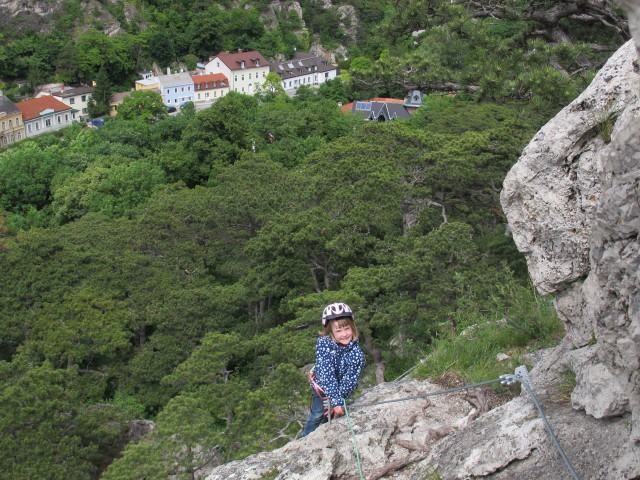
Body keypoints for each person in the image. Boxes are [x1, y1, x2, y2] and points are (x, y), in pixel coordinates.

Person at [301, 302, 366, 437]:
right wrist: (335, 400)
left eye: (347, 329)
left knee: (331, 413)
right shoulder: (324, 346)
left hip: (340, 390)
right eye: (338, 331)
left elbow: (350, 381)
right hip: (322, 387)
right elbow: (326, 375)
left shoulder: (356, 354)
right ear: (330, 332)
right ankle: (306, 437)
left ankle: (326, 433)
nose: (344, 334)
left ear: (353, 328)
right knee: (317, 414)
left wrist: (339, 400)